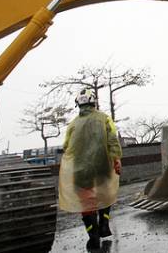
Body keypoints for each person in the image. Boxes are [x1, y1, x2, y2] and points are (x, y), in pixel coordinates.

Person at [58, 88, 122, 250]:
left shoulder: (73, 124)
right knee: (105, 195)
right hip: (101, 167)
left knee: (87, 204)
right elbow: (113, 139)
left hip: (80, 171)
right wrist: (116, 159)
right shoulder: (104, 119)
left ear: (78, 104)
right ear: (93, 102)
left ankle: (93, 234)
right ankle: (104, 222)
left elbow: (66, 146)